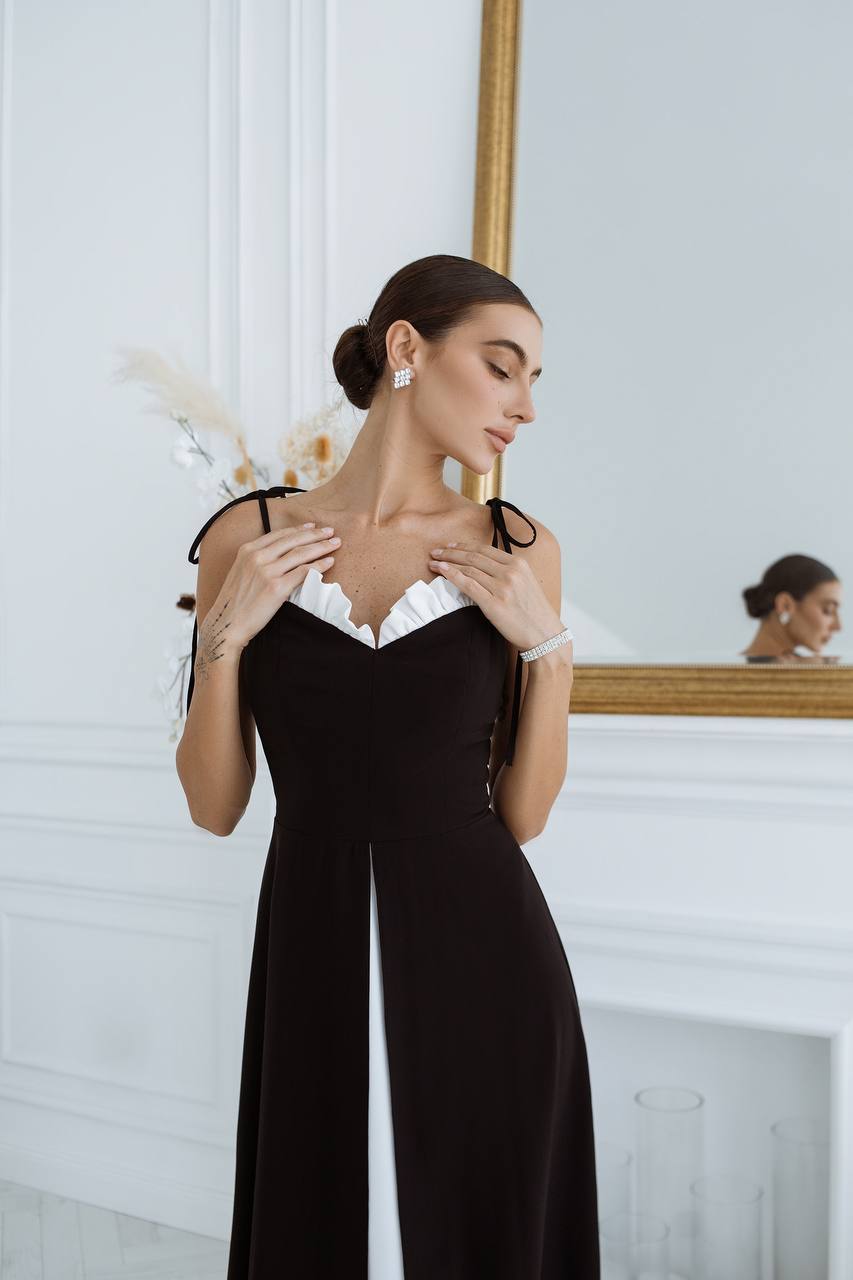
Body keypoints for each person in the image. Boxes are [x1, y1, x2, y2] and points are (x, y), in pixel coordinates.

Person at [176, 253, 600, 1278]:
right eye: (504, 368)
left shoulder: (516, 546)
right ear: (408, 347)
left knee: (482, 1222)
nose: (525, 406)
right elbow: (216, 803)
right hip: (308, 926)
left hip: (487, 944)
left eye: (535, 379)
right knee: (322, 1215)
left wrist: (548, 649)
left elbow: (525, 815)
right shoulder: (250, 534)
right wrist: (224, 639)